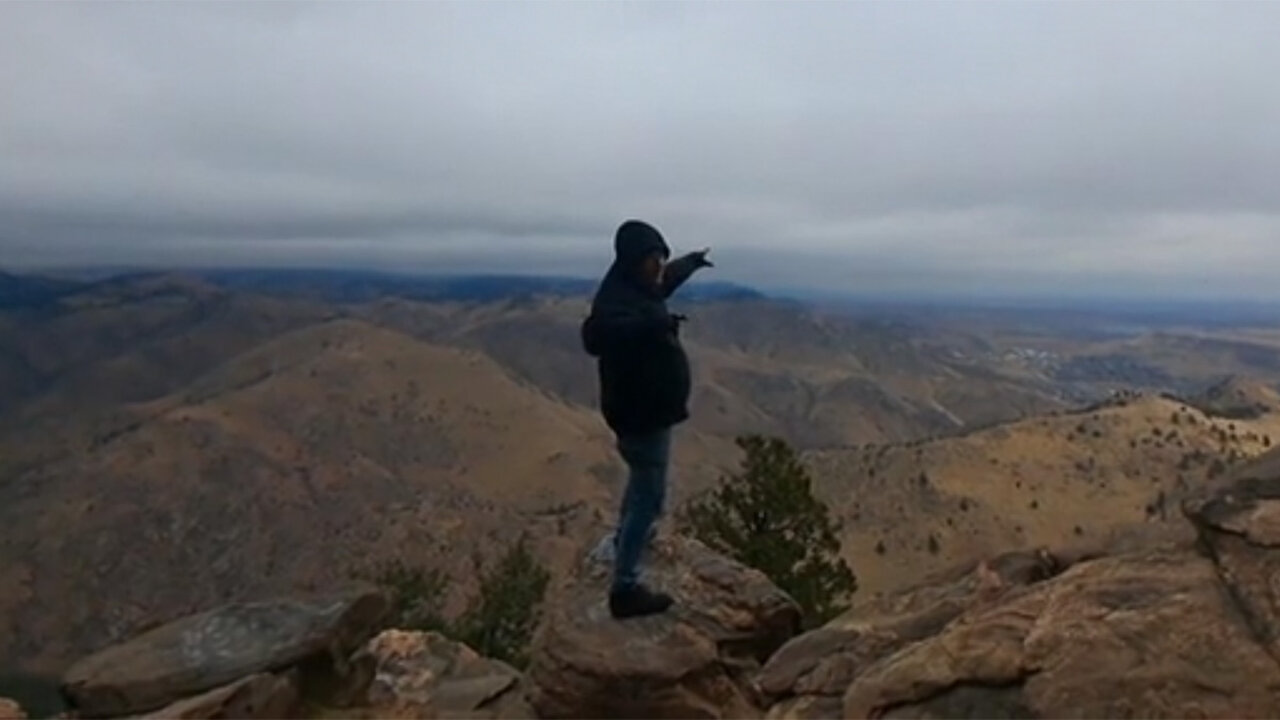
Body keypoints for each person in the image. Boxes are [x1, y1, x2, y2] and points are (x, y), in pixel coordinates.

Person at [580, 219, 713, 619]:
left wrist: (690, 262)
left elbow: (664, 284)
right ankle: (625, 587)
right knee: (649, 498)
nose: (658, 266)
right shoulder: (615, 303)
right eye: (652, 259)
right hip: (640, 417)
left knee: (641, 487)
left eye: (661, 258)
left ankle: (624, 542)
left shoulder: (638, 285)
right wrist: (653, 324)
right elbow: (597, 335)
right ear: (632, 261)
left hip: (649, 413)